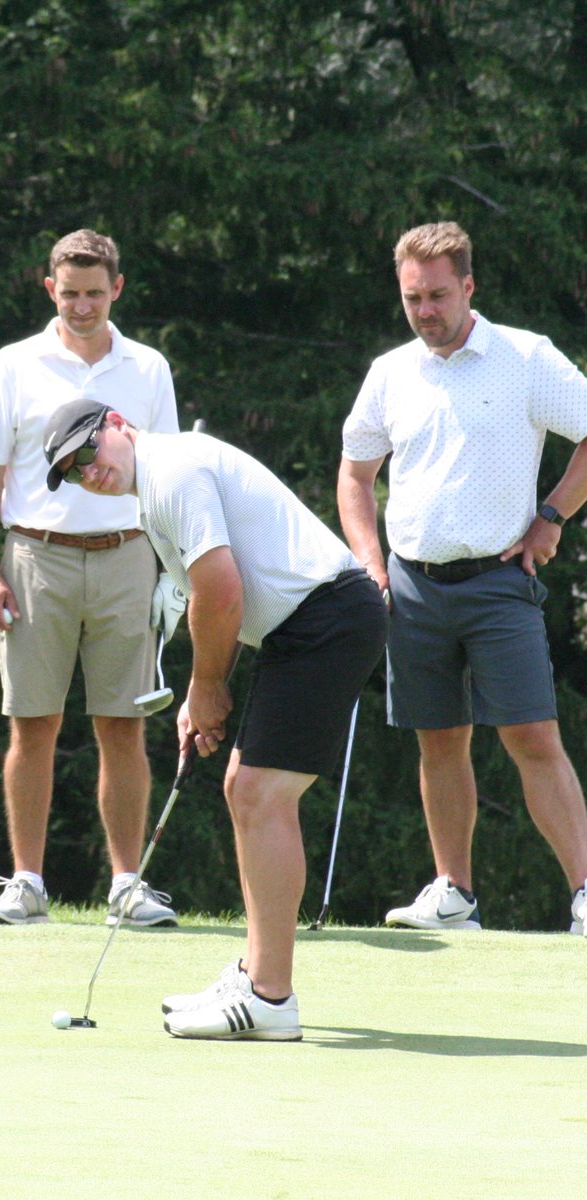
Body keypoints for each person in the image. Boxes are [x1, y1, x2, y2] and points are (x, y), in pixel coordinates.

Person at [43, 399, 387, 1039]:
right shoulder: (154, 491)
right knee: (244, 790)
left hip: (328, 619)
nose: (87, 471)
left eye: (88, 451)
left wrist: (205, 687)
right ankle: (256, 972)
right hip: (302, 628)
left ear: (117, 423)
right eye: (71, 471)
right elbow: (216, 601)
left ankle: (271, 997)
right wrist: (205, 693)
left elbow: (221, 592)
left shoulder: (171, 470)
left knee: (262, 795)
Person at [338, 221, 587, 937]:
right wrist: (369, 561)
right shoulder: (391, 372)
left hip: (499, 580)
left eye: (438, 296)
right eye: (412, 298)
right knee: (438, 740)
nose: (425, 311)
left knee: (532, 736)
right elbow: (355, 476)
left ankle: (584, 890)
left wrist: (552, 517)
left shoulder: (525, 357)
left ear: (469, 287)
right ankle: (454, 893)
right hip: (412, 585)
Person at [0, 229, 183, 927]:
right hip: (35, 557)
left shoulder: (147, 368)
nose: (81, 306)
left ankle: (127, 886)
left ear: (117, 289)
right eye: (69, 293)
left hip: (128, 554)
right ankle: (27, 883)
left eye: (94, 293)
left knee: (123, 726)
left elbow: (167, 472)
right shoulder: (13, 364)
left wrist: (174, 571)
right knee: (33, 725)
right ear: (49, 289)